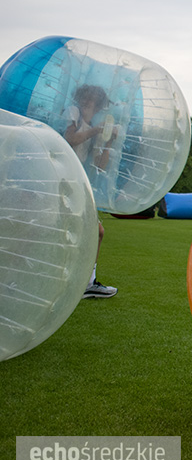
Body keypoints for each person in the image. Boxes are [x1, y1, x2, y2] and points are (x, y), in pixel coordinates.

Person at [63, 84, 118, 299]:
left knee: (97, 232)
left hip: (77, 182)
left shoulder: (92, 125)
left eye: (93, 100)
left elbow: (99, 164)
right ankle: (83, 282)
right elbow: (69, 140)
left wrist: (108, 142)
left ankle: (88, 282)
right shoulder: (73, 113)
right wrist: (96, 130)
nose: (88, 103)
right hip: (63, 179)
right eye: (86, 98)